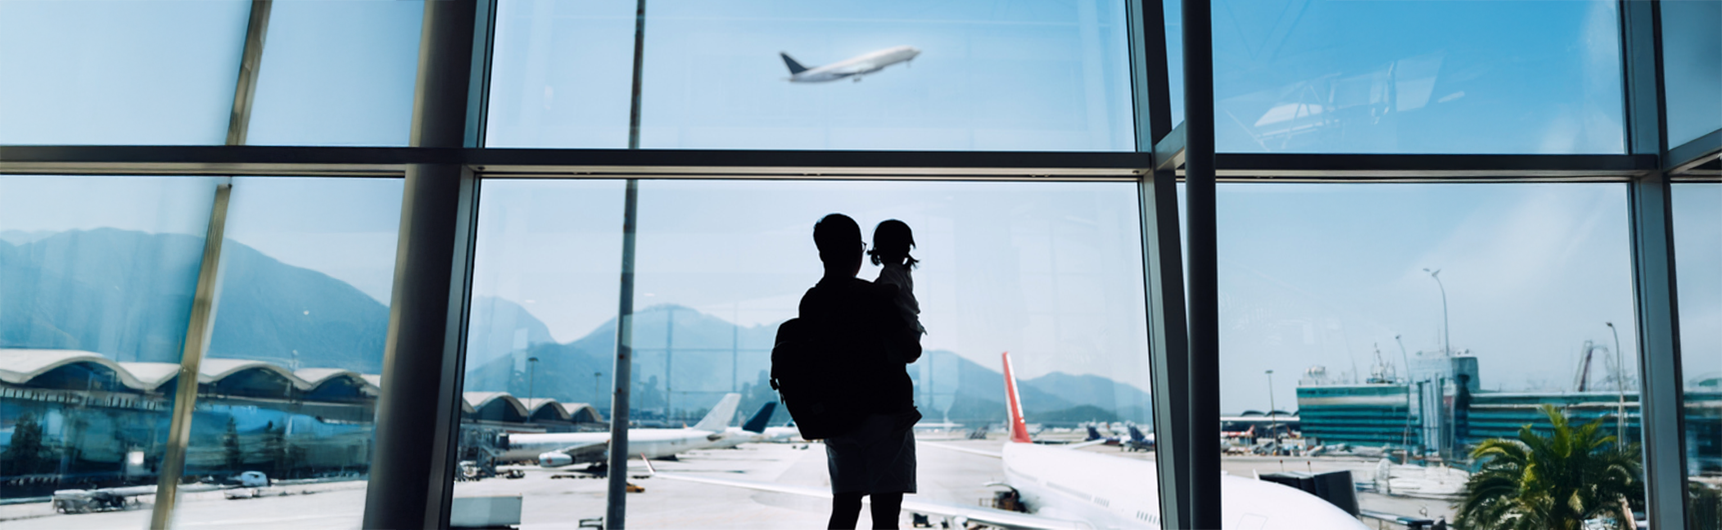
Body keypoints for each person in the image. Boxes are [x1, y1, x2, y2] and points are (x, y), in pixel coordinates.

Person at [801, 213, 922, 530]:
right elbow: (911, 351)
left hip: (837, 417)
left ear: (821, 252)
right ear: (858, 249)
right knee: (885, 515)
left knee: (844, 509)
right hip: (884, 415)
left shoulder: (811, 301)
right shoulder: (873, 297)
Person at [868, 220, 925, 337]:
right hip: (912, 326)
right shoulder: (903, 271)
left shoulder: (890, 270)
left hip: (902, 328)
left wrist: (867, 289)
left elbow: (890, 291)